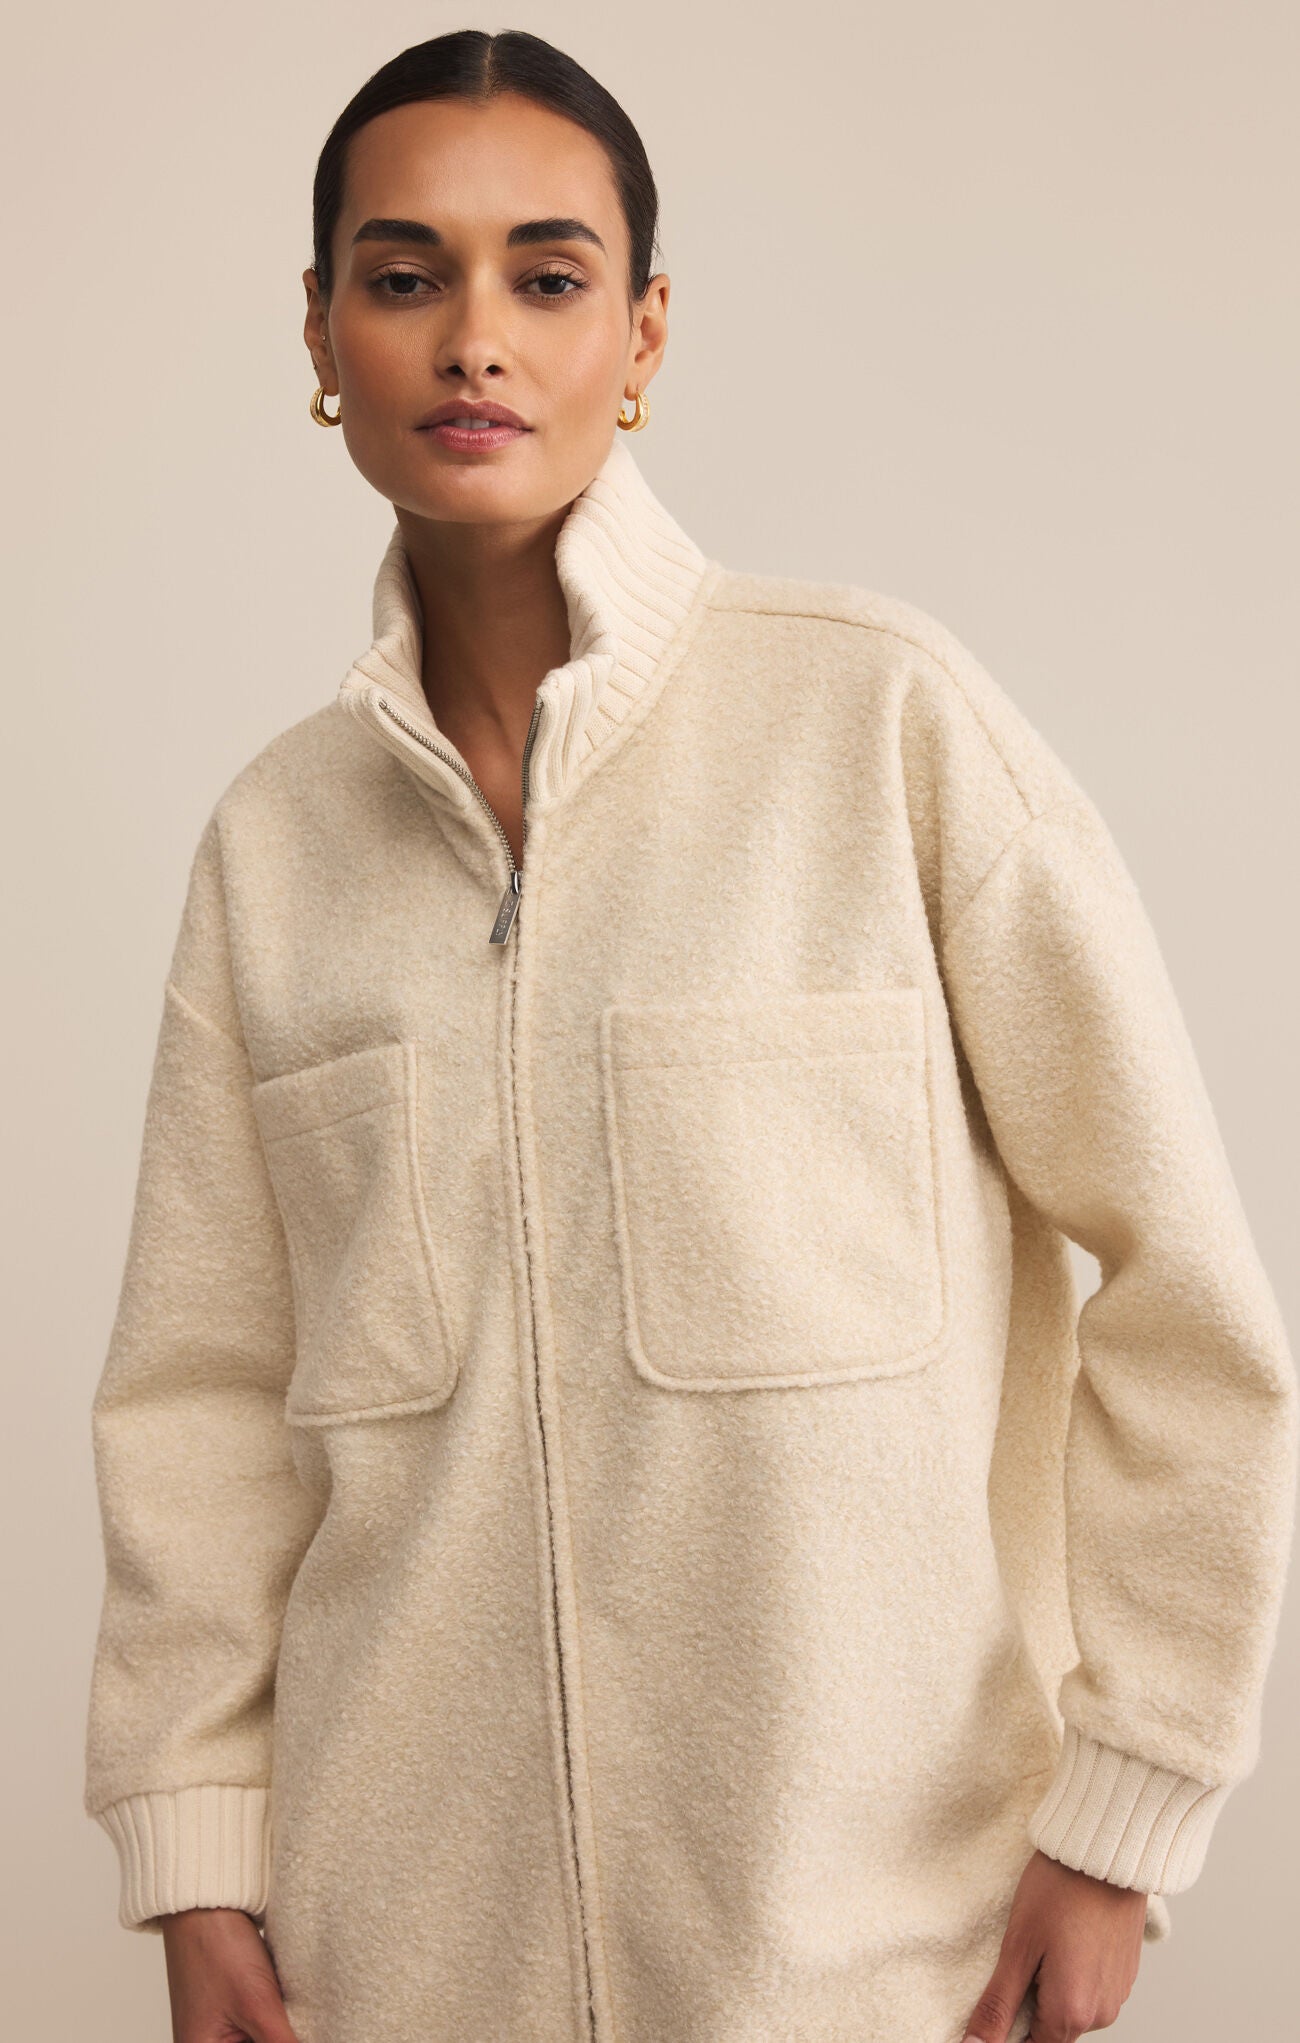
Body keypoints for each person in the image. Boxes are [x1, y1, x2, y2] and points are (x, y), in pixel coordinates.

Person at [82, 28, 1298, 2043]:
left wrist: (1126, 1808)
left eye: (547, 276)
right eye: (405, 275)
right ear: (320, 335)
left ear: (641, 336)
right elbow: (198, 1401)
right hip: (400, 1963)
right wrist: (196, 1849)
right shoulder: (273, 850)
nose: (476, 336)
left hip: (871, 1960)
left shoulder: (880, 728)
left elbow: (1185, 1292)